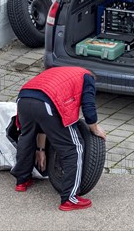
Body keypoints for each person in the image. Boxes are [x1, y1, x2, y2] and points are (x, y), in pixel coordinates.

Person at [11, 67, 106, 211]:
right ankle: (69, 199)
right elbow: (88, 106)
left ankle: (22, 181)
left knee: (26, 137)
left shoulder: (60, 73)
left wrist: (41, 149)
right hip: (48, 102)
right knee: (74, 148)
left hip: (24, 98)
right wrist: (94, 128)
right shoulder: (87, 77)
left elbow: (42, 125)